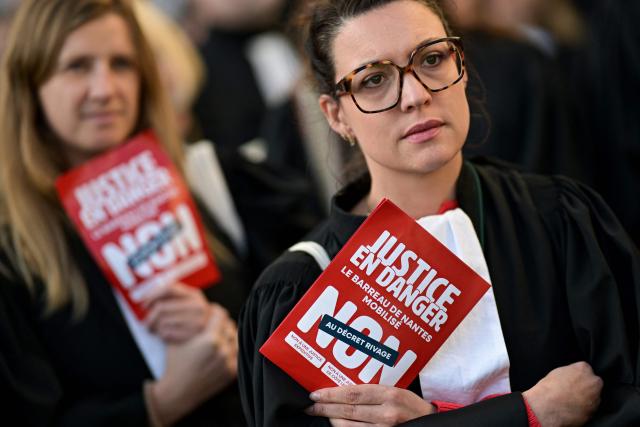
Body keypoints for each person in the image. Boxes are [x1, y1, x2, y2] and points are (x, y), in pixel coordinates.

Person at [237, 1, 640, 426]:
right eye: (374, 80)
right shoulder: (299, 292)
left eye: (432, 59)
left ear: (461, 66)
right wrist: (523, 415)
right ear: (336, 115)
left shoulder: (561, 222)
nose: (415, 96)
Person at [0, 0, 249, 425]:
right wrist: (160, 403)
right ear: (31, 84)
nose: (105, 89)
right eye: (77, 66)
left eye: (121, 63)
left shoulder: (207, 184)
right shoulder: (13, 252)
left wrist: (229, 336)